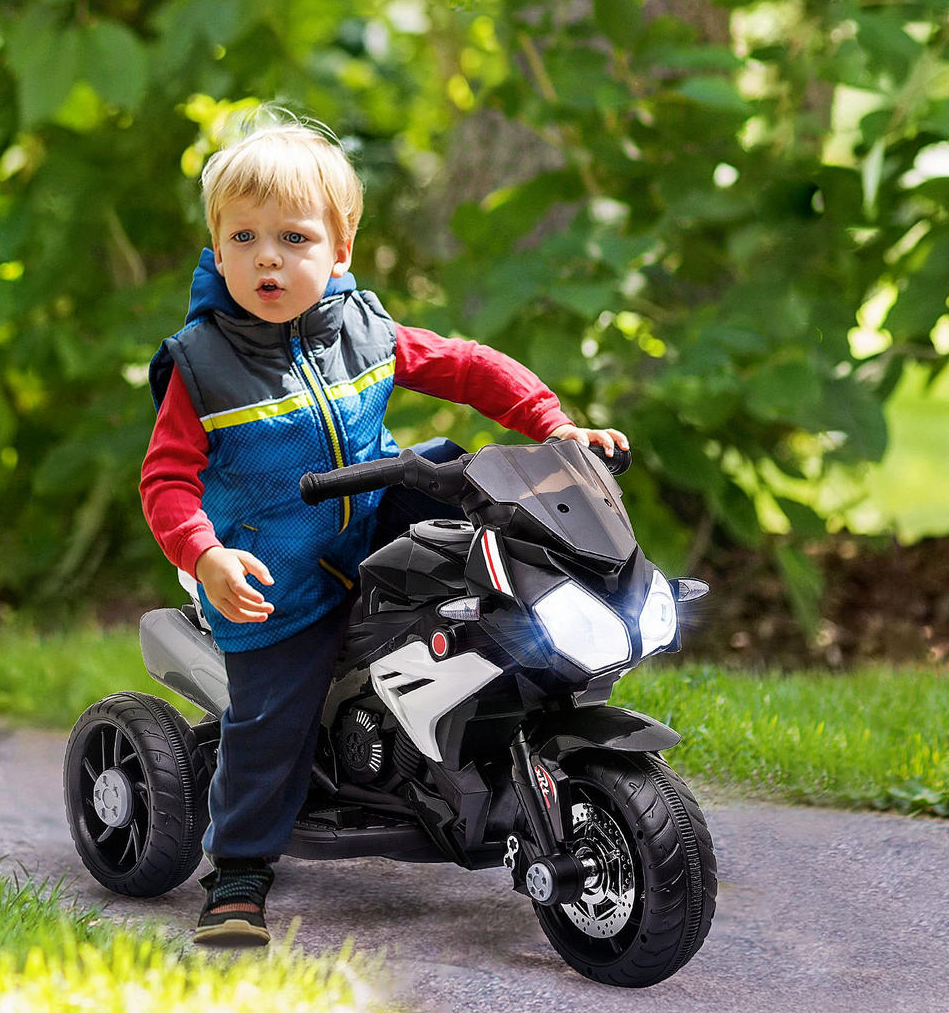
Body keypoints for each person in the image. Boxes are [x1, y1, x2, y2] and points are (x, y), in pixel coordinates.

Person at [140, 112, 628, 947]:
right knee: (273, 718)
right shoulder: (201, 364)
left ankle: (503, 713)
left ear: (340, 249)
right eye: (244, 237)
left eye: (293, 237)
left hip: (372, 521)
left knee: (485, 512)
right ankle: (240, 874)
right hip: (274, 572)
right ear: (217, 250)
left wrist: (553, 427)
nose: (267, 257)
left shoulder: (365, 327)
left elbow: (469, 366)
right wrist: (207, 554)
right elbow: (166, 480)